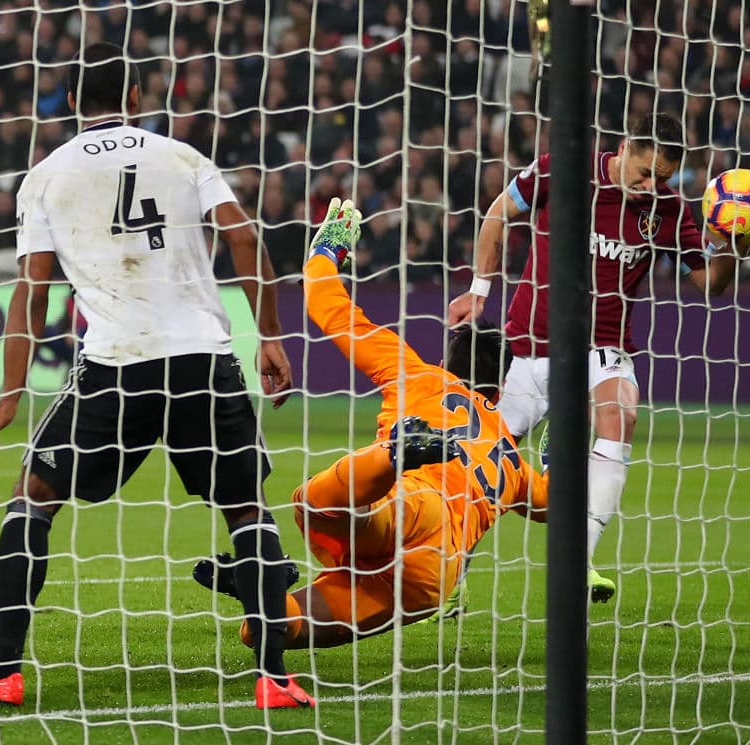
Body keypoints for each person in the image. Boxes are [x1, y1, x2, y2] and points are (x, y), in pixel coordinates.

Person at [0, 42, 313, 710]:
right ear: (137, 97)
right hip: (204, 359)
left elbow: (33, 291)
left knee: (33, 496)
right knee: (247, 510)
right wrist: (269, 337)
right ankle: (275, 679)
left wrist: (10, 396)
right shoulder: (183, 156)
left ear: (74, 102)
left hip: (117, 363)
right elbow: (245, 239)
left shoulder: (47, 175)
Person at [195, 199, 548, 647]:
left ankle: (392, 455)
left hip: (413, 508)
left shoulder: (419, 374)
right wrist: (557, 454)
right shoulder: (511, 460)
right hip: (432, 575)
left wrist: (327, 250)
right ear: (498, 392)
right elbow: (552, 504)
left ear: (444, 361)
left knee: (314, 503)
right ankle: (257, 590)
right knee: (265, 630)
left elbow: (331, 309)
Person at [447, 112, 747, 609]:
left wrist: (737, 245)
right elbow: (499, 211)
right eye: (646, 172)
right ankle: (450, 568)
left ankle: (576, 563)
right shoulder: (562, 170)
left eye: (664, 178)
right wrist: (479, 289)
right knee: (483, 461)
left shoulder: (669, 209)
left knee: (621, 414)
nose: (651, 186)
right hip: (529, 345)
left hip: (602, 347)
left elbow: (708, 282)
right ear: (626, 147)